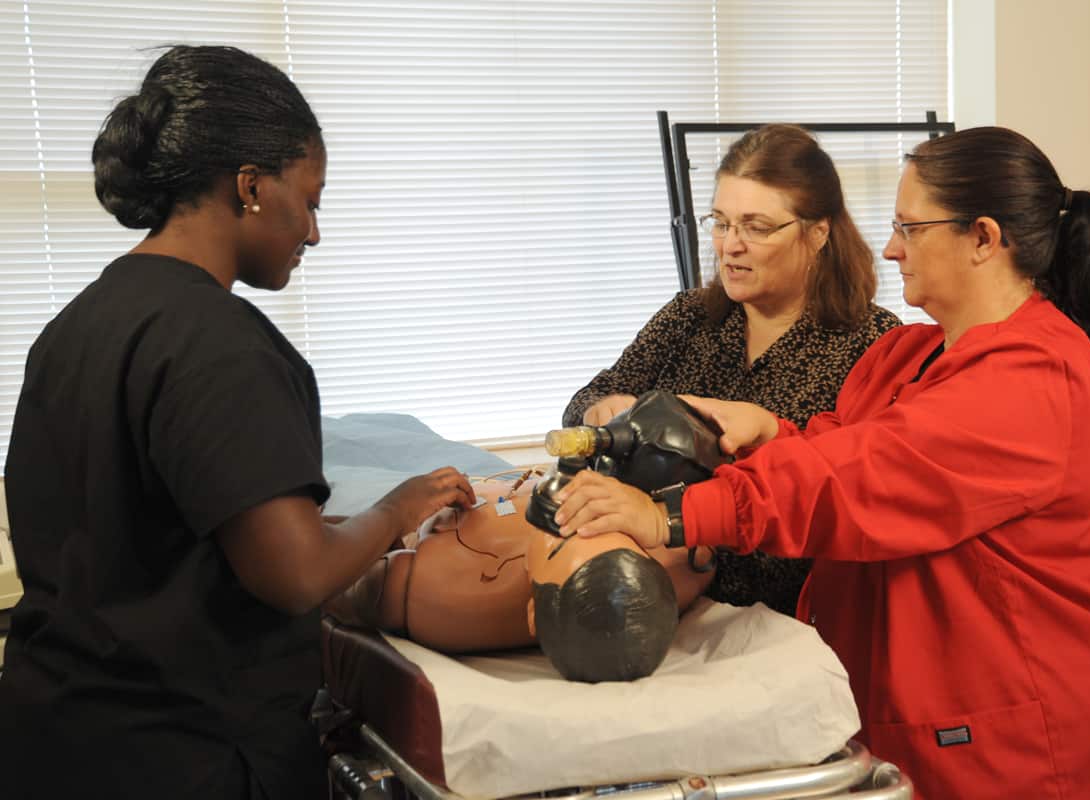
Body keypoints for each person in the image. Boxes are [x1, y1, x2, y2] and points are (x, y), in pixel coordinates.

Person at [553, 127, 1090, 799]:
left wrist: (669, 516)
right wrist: (771, 435)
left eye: (911, 226)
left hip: (1033, 747)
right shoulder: (906, 356)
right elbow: (842, 452)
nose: (890, 247)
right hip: (924, 725)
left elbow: (858, 481)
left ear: (984, 239)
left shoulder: (1032, 374)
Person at [0, 45, 474, 800]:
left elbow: (155, 539)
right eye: (310, 200)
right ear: (250, 186)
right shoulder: (219, 343)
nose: (313, 232)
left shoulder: (74, 326)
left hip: (50, 741)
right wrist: (399, 509)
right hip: (178, 758)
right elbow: (293, 575)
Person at [563, 123, 899, 616]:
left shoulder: (872, 345)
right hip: (642, 567)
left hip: (773, 609)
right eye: (720, 222)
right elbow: (581, 408)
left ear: (818, 231)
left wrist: (681, 539)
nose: (730, 246)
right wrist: (602, 412)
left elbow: (846, 511)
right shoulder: (688, 318)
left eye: (756, 227)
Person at [325, 474, 715, 682]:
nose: (574, 524)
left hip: (407, 537)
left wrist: (395, 513)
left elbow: (328, 577)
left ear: (534, 613)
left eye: (560, 544)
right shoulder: (665, 578)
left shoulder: (433, 595)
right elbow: (699, 539)